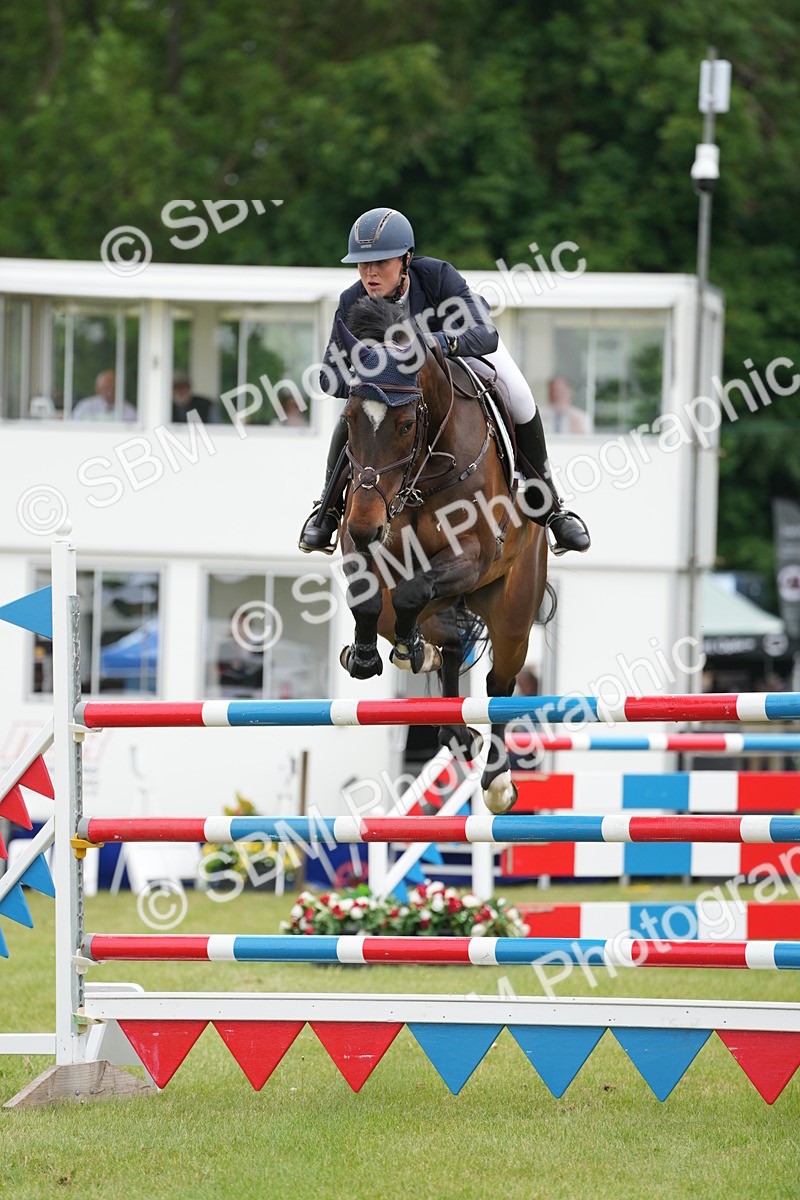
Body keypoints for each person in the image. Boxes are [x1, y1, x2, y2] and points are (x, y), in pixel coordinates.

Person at [298, 207, 590, 556]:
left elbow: (485, 334)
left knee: (521, 397)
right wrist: (374, 381)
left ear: (406, 259)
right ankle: (327, 512)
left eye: (381, 263)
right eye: (363, 265)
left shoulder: (437, 276)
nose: (370, 274)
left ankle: (551, 505)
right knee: (359, 418)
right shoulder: (352, 300)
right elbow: (329, 377)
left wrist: (439, 342)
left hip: (457, 356)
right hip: (393, 392)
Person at [71, 370, 137, 422]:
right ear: (97, 389)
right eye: (105, 388)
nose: (109, 392)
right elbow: (73, 426)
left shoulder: (130, 412)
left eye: (112, 387)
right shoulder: (84, 407)